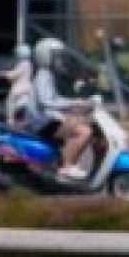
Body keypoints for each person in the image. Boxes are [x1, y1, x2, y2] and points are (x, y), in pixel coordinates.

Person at [31, 37, 94, 181]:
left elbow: (55, 99)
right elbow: (46, 101)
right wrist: (75, 103)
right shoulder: (43, 76)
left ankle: (69, 163)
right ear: (46, 57)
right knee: (84, 132)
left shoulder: (47, 75)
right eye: (57, 57)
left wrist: (77, 103)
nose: (60, 61)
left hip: (47, 119)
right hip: (43, 123)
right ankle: (67, 166)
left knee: (84, 123)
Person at [0, 44, 33, 131]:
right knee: (23, 108)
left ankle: (11, 124)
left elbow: (13, 75)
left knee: (10, 106)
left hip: (18, 89)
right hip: (27, 88)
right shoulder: (29, 64)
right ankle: (22, 123)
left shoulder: (23, 64)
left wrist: (1, 74)